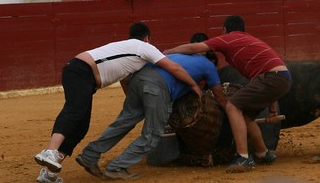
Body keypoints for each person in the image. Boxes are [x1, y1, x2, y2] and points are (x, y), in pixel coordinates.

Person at [34, 22, 201, 182]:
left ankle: (49, 173)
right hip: (82, 71)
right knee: (75, 111)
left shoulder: (127, 48)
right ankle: (50, 151)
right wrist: (193, 84)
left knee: (80, 127)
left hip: (82, 73)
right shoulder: (144, 47)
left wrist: (131, 101)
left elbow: (124, 78)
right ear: (147, 38)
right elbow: (175, 68)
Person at [165, 15, 292, 173]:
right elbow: (268, 75)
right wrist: (273, 109)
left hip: (271, 78)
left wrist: (167, 52)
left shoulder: (229, 39)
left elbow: (194, 48)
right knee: (246, 117)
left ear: (224, 30)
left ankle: (243, 157)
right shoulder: (250, 40)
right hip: (282, 79)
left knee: (232, 106)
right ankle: (263, 153)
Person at [75, 52, 226, 180]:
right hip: (158, 88)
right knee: (152, 134)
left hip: (137, 80)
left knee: (123, 122)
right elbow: (219, 97)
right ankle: (116, 167)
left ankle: (89, 155)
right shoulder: (209, 66)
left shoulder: (178, 55)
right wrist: (230, 110)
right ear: (213, 61)